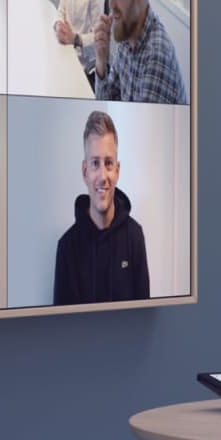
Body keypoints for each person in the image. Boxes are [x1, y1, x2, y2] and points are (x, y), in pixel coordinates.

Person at [53, 111, 149, 305]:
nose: (103, 176)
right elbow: (61, 330)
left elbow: (144, 321)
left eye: (108, 163)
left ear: (117, 170)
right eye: (95, 163)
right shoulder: (66, 248)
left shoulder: (135, 236)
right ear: (85, 172)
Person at [94, 0, 187, 104]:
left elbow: (141, 130)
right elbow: (107, 104)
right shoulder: (126, 31)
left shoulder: (156, 58)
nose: (111, 3)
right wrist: (101, 60)